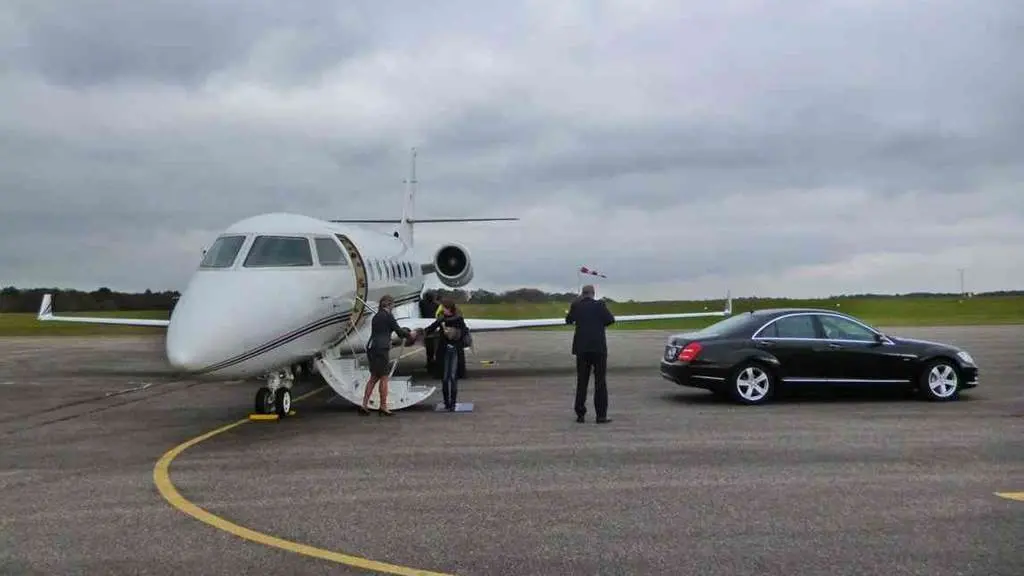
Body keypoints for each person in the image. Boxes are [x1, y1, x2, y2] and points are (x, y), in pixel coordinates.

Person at [564, 284, 615, 423]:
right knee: (600, 382)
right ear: (593, 293)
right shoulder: (600, 305)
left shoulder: (577, 306)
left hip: (581, 349)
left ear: (582, 294)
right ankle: (601, 415)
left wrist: (573, 306)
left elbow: (568, 321)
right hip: (598, 348)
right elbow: (610, 320)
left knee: (582, 382)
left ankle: (580, 414)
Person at [361, 294, 417, 416]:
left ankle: (364, 404)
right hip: (381, 349)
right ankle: (383, 405)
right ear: (389, 305)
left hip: (372, 346)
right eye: (393, 305)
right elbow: (399, 331)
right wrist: (410, 334)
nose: (393, 307)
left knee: (373, 377)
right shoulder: (388, 316)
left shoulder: (376, 316)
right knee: (384, 377)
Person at [424, 299, 469, 411]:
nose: (442, 309)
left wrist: (454, 333)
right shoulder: (441, 319)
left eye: (443, 307)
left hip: (454, 350)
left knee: (452, 377)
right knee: (445, 378)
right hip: (444, 351)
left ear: (448, 308)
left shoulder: (458, 319)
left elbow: (464, 331)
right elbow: (430, 328)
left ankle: (453, 403)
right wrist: (418, 333)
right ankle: (446, 403)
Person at [418, 291, 440, 376]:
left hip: (426, 329)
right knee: (436, 349)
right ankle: (435, 366)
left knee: (429, 350)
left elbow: (420, 301)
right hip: (434, 329)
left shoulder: (422, 304)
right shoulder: (437, 305)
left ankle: (429, 365)